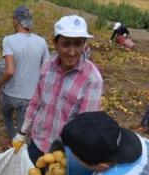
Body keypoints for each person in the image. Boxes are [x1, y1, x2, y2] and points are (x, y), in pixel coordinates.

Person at [13, 15, 103, 163]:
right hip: (37, 141)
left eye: (78, 44)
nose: (72, 52)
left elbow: (84, 127)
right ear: (55, 43)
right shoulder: (47, 66)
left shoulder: (92, 80)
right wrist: (23, 132)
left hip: (62, 154)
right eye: (66, 44)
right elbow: (36, 101)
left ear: (85, 44)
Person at [0, 6, 49, 140]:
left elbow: (10, 70)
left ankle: (13, 142)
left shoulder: (9, 40)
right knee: (22, 133)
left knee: (6, 115)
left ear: (15, 21)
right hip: (30, 97)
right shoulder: (41, 42)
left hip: (10, 95)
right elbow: (46, 71)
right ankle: (18, 144)